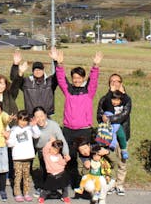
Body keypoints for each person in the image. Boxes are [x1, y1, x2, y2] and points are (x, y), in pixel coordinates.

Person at [52, 48, 102, 188]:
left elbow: (94, 80)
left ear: (83, 79)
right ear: (72, 79)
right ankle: (71, 182)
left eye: (79, 78)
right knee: (69, 157)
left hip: (84, 130)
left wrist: (95, 66)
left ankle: (88, 182)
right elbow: (61, 79)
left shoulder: (89, 92)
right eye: (74, 78)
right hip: (68, 130)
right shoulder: (68, 91)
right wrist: (59, 64)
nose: (77, 80)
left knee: (85, 157)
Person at [96, 73, 132, 196]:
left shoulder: (126, 99)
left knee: (122, 160)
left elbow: (124, 115)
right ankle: (109, 183)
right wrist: (109, 94)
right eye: (112, 81)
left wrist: (110, 119)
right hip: (107, 135)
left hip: (123, 134)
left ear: (121, 83)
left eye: (117, 81)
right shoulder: (104, 99)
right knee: (108, 160)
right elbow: (99, 116)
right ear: (109, 84)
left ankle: (120, 184)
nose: (115, 83)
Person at [32, 106, 70, 195]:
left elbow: (61, 139)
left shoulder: (53, 125)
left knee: (54, 169)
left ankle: (58, 187)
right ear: (33, 118)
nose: (40, 119)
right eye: (37, 117)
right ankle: (42, 187)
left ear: (45, 115)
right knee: (43, 169)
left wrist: (66, 153)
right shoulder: (33, 127)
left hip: (52, 150)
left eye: (41, 116)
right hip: (40, 150)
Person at [10, 50, 58, 117]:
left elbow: (59, 75)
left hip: (47, 115)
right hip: (31, 116)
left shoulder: (50, 81)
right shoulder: (26, 82)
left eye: (40, 69)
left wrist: (55, 61)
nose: (38, 71)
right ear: (33, 71)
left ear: (43, 70)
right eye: (35, 69)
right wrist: (15, 65)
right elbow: (14, 80)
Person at [7, 110, 40, 202]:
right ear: (17, 120)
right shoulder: (14, 130)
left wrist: (34, 126)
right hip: (17, 157)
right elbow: (10, 144)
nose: (23, 122)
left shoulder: (30, 128)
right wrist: (7, 139)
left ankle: (26, 193)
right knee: (18, 176)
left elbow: (37, 135)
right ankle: (17, 193)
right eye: (21, 120)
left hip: (27, 156)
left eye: (25, 120)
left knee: (26, 176)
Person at [75, 138, 115, 204]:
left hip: (105, 175)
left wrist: (108, 153)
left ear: (89, 145)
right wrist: (86, 168)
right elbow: (81, 173)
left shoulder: (97, 149)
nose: (84, 151)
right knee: (89, 187)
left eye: (85, 148)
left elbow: (115, 162)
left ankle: (102, 198)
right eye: (81, 150)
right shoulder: (81, 158)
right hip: (92, 176)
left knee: (103, 182)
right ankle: (94, 195)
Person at [38, 138, 71, 204]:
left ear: (58, 151)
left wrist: (66, 160)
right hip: (51, 174)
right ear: (51, 147)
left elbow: (62, 163)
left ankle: (65, 197)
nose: (53, 151)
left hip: (61, 173)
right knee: (47, 188)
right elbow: (45, 148)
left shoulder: (59, 156)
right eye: (53, 149)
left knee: (64, 186)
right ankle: (42, 197)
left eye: (56, 150)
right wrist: (51, 141)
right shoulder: (46, 155)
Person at [97, 91, 129, 158]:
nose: (115, 102)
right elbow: (106, 100)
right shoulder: (108, 105)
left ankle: (124, 150)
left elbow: (127, 99)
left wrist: (123, 91)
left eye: (117, 100)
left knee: (122, 135)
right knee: (106, 135)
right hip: (108, 124)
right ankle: (108, 147)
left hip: (117, 124)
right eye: (113, 99)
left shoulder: (121, 106)